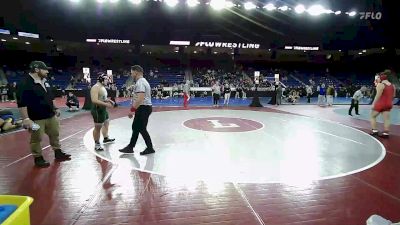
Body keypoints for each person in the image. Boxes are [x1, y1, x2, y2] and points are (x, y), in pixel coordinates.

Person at [17, 61, 71, 168]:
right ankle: (38, 158)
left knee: (55, 134)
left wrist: (55, 107)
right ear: (37, 70)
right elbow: (21, 103)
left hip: (50, 115)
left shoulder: (45, 81)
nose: (47, 71)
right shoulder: (25, 83)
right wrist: (26, 119)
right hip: (36, 118)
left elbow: (50, 97)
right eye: (45, 69)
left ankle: (58, 152)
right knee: (37, 138)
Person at [119, 65, 155, 155]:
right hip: (143, 107)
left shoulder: (140, 82)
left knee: (141, 128)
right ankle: (130, 147)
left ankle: (150, 148)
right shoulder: (141, 81)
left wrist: (132, 109)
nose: (131, 75)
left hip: (143, 107)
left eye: (132, 73)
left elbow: (140, 98)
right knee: (135, 127)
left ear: (136, 72)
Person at [90, 73, 116, 151]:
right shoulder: (95, 87)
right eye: (106, 80)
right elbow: (94, 100)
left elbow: (103, 97)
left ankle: (105, 138)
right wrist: (106, 104)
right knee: (98, 127)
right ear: (101, 80)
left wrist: (110, 100)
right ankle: (97, 144)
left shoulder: (102, 87)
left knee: (106, 122)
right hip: (97, 110)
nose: (107, 81)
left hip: (103, 109)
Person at [370, 72, 395, 137]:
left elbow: (377, 96)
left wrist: (373, 104)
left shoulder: (381, 85)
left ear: (381, 79)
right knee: (386, 119)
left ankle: (374, 131)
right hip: (389, 103)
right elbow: (393, 95)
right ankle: (386, 133)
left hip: (381, 103)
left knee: (373, 116)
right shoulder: (393, 85)